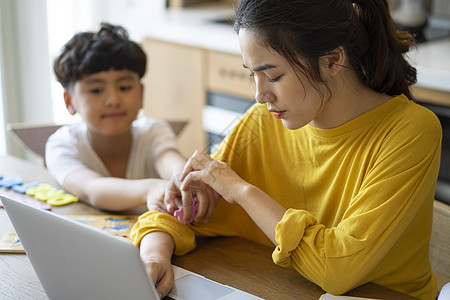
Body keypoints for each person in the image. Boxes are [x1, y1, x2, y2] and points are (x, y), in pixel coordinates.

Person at [130, 0, 442, 299]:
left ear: (333, 60)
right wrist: (154, 256)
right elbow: (177, 215)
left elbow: (337, 270)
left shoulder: (410, 131)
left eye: (274, 76)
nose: (259, 95)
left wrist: (241, 190)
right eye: (253, 75)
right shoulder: (263, 124)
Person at [45, 23, 188, 211]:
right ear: (69, 101)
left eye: (124, 88)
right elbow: (91, 189)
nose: (113, 100)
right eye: (96, 90)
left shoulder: (154, 132)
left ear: (141, 94)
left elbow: (171, 163)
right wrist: (150, 188)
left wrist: (183, 179)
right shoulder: (62, 145)